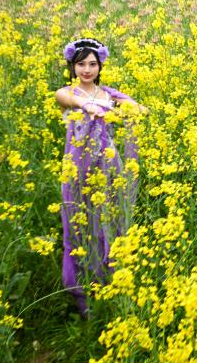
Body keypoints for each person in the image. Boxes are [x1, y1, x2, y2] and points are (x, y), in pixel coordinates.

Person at [55, 38, 141, 315]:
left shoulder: (109, 95)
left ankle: (111, 283)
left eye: (93, 64)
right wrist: (86, 105)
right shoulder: (67, 93)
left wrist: (135, 109)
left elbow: (134, 107)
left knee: (108, 222)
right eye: (81, 64)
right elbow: (67, 99)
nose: (87, 69)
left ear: (100, 66)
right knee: (81, 225)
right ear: (72, 66)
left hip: (108, 168)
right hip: (78, 171)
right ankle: (84, 293)